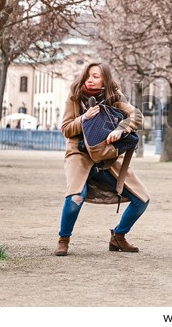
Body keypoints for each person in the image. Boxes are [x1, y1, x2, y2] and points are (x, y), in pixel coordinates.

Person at [53, 63, 150, 256]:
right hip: (79, 155)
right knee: (75, 197)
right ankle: (63, 239)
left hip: (107, 156)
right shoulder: (75, 95)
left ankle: (118, 237)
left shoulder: (114, 96)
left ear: (105, 79)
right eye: (88, 75)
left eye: (95, 76)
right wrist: (84, 118)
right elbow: (65, 129)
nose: (90, 79)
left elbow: (136, 115)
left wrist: (121, 129)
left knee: (142, 199)